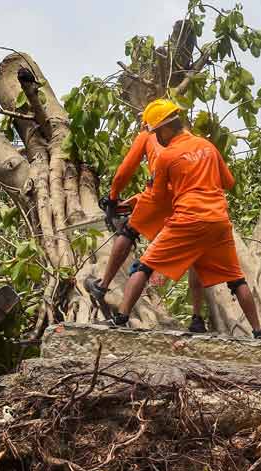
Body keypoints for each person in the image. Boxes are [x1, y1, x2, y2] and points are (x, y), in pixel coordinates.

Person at [100, 99, 261, 339]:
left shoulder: (167, 156)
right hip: (219, 221)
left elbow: (156, 198)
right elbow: (228, 182)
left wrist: (133, 202)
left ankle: (121, 319)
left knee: (145, 265)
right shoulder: (207, 146)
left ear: (165, 129)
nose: (156, 137)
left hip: (188, 218)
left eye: (156, 133)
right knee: (236, 279)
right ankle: (259, 334)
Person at [84, 99, 207, 333]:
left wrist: (113, 197)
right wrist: (134, 200)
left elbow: (125, 171)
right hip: (186, 198)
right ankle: (197, 318)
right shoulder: (189, 139)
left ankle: (103, 285)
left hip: (159, 194)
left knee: (128, 231)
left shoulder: (148, 135)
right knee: (195, 255)